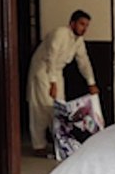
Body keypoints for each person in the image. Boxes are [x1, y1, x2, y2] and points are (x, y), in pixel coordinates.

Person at [27, 10, 99, 158]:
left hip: (57, 72)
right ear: (72, 23)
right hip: (42, 70)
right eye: (81, 24)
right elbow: (51, 57)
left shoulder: (78, 40)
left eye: (86, 25)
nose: (84, 28)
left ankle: (59, 144)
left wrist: (91, 82)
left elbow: (83, 62)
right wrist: (52, 83)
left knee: (59, 108)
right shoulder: (60, 33)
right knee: (42, 107)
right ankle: (39, 146)